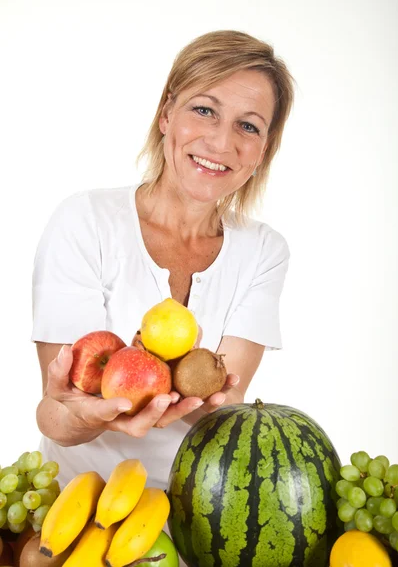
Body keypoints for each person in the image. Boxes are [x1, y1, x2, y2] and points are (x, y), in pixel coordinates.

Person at [32, 30, 294, 498]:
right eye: (204, 110)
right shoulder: (86, 221)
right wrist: (83, 412)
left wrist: (199, 397)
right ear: (166, 114)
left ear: (263, 151)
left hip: (200, 510)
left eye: (248, 126)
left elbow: (223, 409)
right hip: (84, 507)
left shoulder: (264, 252)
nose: (220, 141)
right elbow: (54, 415)